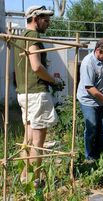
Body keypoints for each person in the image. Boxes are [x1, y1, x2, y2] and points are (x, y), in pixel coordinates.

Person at [14, 5, 64, 185]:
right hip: (36, 92)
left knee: (27, 140)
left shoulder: (20, 37)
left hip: (23, 93)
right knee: (37, 141)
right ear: (35, 19)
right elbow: (36, 66)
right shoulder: (33, 36)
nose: (48, 23)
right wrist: (54, 81)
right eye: (46, 19)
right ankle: (35, 181)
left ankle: (23, 178)